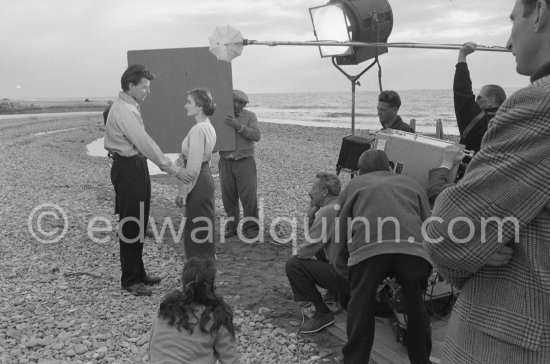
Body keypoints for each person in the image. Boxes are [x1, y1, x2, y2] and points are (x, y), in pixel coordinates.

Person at [425, 1, 550, 362]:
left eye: (513, 21)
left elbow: (448, 231)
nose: (509, 42)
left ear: (539, 13)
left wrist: (470, 245)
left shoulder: (537, 105)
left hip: (513, 341)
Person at [333, 149, 432, 364]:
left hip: (369, 250)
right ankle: (421, 359)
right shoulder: (411, 183)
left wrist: (344, 269)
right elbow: (429, 223)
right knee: (416, 306)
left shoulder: (353, 185)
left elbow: (340, 229)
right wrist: (428, 267)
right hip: (413, 250)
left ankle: (355, 359)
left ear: (360, 171)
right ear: (390, 167)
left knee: (361, 305)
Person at [104, 64, 186, 296]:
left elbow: (144, 142)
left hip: (134, 166)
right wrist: (173, 169)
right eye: (144, 87)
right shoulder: (124, 111)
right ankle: (130, 280)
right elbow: (145, 144)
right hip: (128, 168)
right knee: (131, 223)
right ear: (131, 86)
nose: (148, 91)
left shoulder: (129, 106)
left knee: (138, 220)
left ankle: (138, 273)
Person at [285, 172, 351, 334]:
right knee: (323, 249)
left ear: (324, 192)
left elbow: (307, 250)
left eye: (313, 188)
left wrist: (295, 254)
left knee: (293, 265)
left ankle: (322, 312)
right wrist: (310, 216)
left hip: (349, 278)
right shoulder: (341, 205)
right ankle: (333, 294)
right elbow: (317, 241)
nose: (309, 191)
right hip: (361, 274)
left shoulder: (327, 211)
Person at [148, 256, 240, 364]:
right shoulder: (217, 317)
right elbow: (230, 360)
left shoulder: (165, 309)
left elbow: (152, 349)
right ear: (212, 287)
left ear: (183, 284)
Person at [175, 88, 217, 260]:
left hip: (199, 180)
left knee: (196, 232)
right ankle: (204, 278)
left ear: (199, 106)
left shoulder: (199, 129)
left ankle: (198, 280)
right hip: (204, 177)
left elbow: (193, 166)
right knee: (202, 229)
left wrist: (182, 192)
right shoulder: (208, 126)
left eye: (189, 102)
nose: (185, 105)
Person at [218, 90, 261, 240]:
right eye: (234, 101)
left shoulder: (250, 116)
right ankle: (232, 227)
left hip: (245, 161)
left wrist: (238, 126)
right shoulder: (220, 115)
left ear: (245, 104)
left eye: (241, 102)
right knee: (228, 196)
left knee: (249, 196)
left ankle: (251, 228)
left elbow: (256, 136)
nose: (237, 105)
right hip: (225, 161)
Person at [454, 42, 506, 154]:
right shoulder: (509, 122)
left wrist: (462, 55)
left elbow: (462, 93)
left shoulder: (480, 123)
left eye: (479, 98)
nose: (476, 101)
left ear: (491, 101)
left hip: (475, 168)